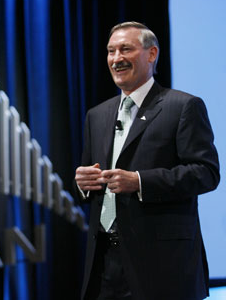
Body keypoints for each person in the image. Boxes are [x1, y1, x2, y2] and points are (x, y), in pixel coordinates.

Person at [75, 21, 220, 300]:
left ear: (151, 54)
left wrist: (140, 182)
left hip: (162, 266)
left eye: (125, 49)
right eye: (110, 51)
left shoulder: (183, 107)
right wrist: (82, 183)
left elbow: (206, 173)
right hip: (105, 263)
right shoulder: (97, 115)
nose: (116, 59)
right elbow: (88, 179)